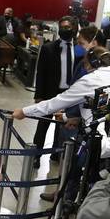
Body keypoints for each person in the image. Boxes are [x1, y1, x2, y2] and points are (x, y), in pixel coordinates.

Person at [27, 15, 78, 163]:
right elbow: (41, 72)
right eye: (62, 27)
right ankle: (36, 155)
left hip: (70, 94)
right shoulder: (49, 48)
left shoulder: (80, 50)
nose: (64, 30)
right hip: (50, 93)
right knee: (43, 124)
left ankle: (56, 154)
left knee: (62, 126)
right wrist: (39, 95)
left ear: (74, 29)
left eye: (67, 27)